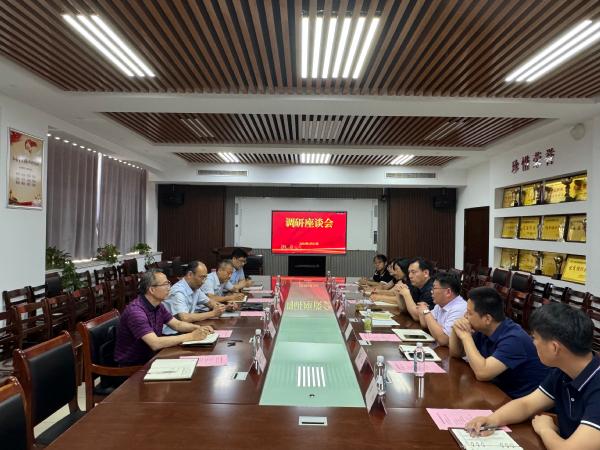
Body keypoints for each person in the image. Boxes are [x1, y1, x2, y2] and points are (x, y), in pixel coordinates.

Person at [465, 303, 600, 450]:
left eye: (535, 338)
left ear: (554, 348)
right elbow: (527, 404)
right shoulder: (563, 371)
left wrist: (545, 429)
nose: (533, 343)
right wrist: (492, 419)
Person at [449, 287, 549, 399]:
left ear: (487, 319)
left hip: (519, 400)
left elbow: (482, 373)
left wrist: (466, 337)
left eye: (469, 313)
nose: (465, 317)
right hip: (497, 390)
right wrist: (455, 328)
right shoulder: (484, 329)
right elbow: (456, 354)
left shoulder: (514, 338)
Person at [114, 269, 213, 366]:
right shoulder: (136, 312)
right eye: (165, 284)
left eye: (168, 283)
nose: (169, 288)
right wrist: (191, 336)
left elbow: (177, 324)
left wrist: (199, 328)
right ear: (152, 290)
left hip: (152, 357)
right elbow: (155, 343)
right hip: (134, 367)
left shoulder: (158, 305)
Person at [162, 261, 227, 335]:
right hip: (171, 333)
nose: (204, 282)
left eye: (205, 278)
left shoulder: (195, 288)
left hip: (186, 328)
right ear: (190, 274)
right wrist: (213, 313)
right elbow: (184, 318)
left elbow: (209, 302)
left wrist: (223, 307)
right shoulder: (178, 291)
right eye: (202, 277)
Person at [416, 273, 466, 346]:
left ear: (448, 292)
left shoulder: (460, 308)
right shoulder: (440, 304)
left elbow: (443, 340)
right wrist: (423, 310)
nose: (431, 291)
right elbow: (425, 324)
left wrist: (426, 312)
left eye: (434, 288)